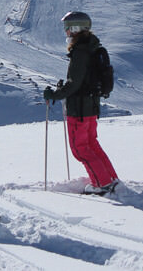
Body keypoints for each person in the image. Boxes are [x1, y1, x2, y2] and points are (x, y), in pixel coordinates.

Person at [44, 11, 119, 195]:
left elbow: (74, 84)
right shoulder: (93, 47)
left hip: (79, 109)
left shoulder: (81, 52)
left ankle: (101, 184)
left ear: (76, 28)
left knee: (80, 149)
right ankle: (110, 179)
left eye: (68, 28)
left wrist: (54, 94)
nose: (66, 32)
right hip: (91, 106)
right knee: (91, 144)